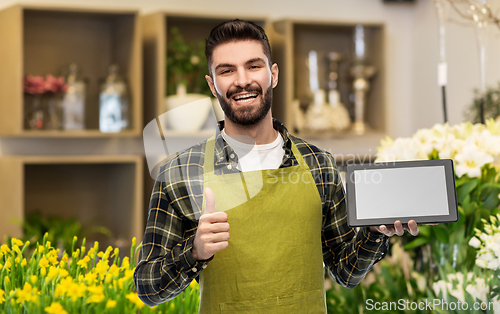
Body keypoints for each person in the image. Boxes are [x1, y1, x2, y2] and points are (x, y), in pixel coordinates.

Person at [134, 19, 419, 313]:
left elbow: (345, 272)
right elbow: (147, 287)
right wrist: (194, 252)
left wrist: (374, 232)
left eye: (253, 66)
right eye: (226, 70)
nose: (242, 80)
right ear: (212, 84)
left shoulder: (319, 163)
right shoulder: (181, 172)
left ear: (273, 74)